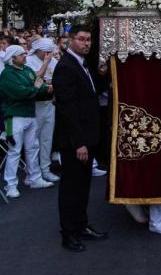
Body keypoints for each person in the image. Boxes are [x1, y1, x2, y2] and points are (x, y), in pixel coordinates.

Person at [52, 25, 107, 251]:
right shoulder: (65, 67)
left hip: (88, 136)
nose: (86, 44)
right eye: (82, 39)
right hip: (75, 140)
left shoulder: (81, 65)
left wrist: (103, 76)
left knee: (83, 186)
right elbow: (68, 109)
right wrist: (79, 143)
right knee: (71, 188)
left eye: (89, 40)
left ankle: (81, 225)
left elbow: (91, 94)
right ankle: (69, 233)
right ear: (70, 41)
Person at [0, 45, 54, 199]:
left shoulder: (27, 70)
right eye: (21, 54)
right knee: (15, 150)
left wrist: (41, 87)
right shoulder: (7, 74)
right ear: (12, 58)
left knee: (33, 147)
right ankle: (10, 184)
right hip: (14, 116)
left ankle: (35, 178)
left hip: (30, 114)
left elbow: (37, 83)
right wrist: (38, 87)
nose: (25, 55)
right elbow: (23, 92)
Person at [26, 38, 61, 183]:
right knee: (33, 141)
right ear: (38, 50)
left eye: (49, 51)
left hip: (50, 103)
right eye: (45, 52)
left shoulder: (54, 61)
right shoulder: (28, 60)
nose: (48, 54)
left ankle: (45, 169)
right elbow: (33, 80)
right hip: (35, 105)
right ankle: (32, 172)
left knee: (47, 138)